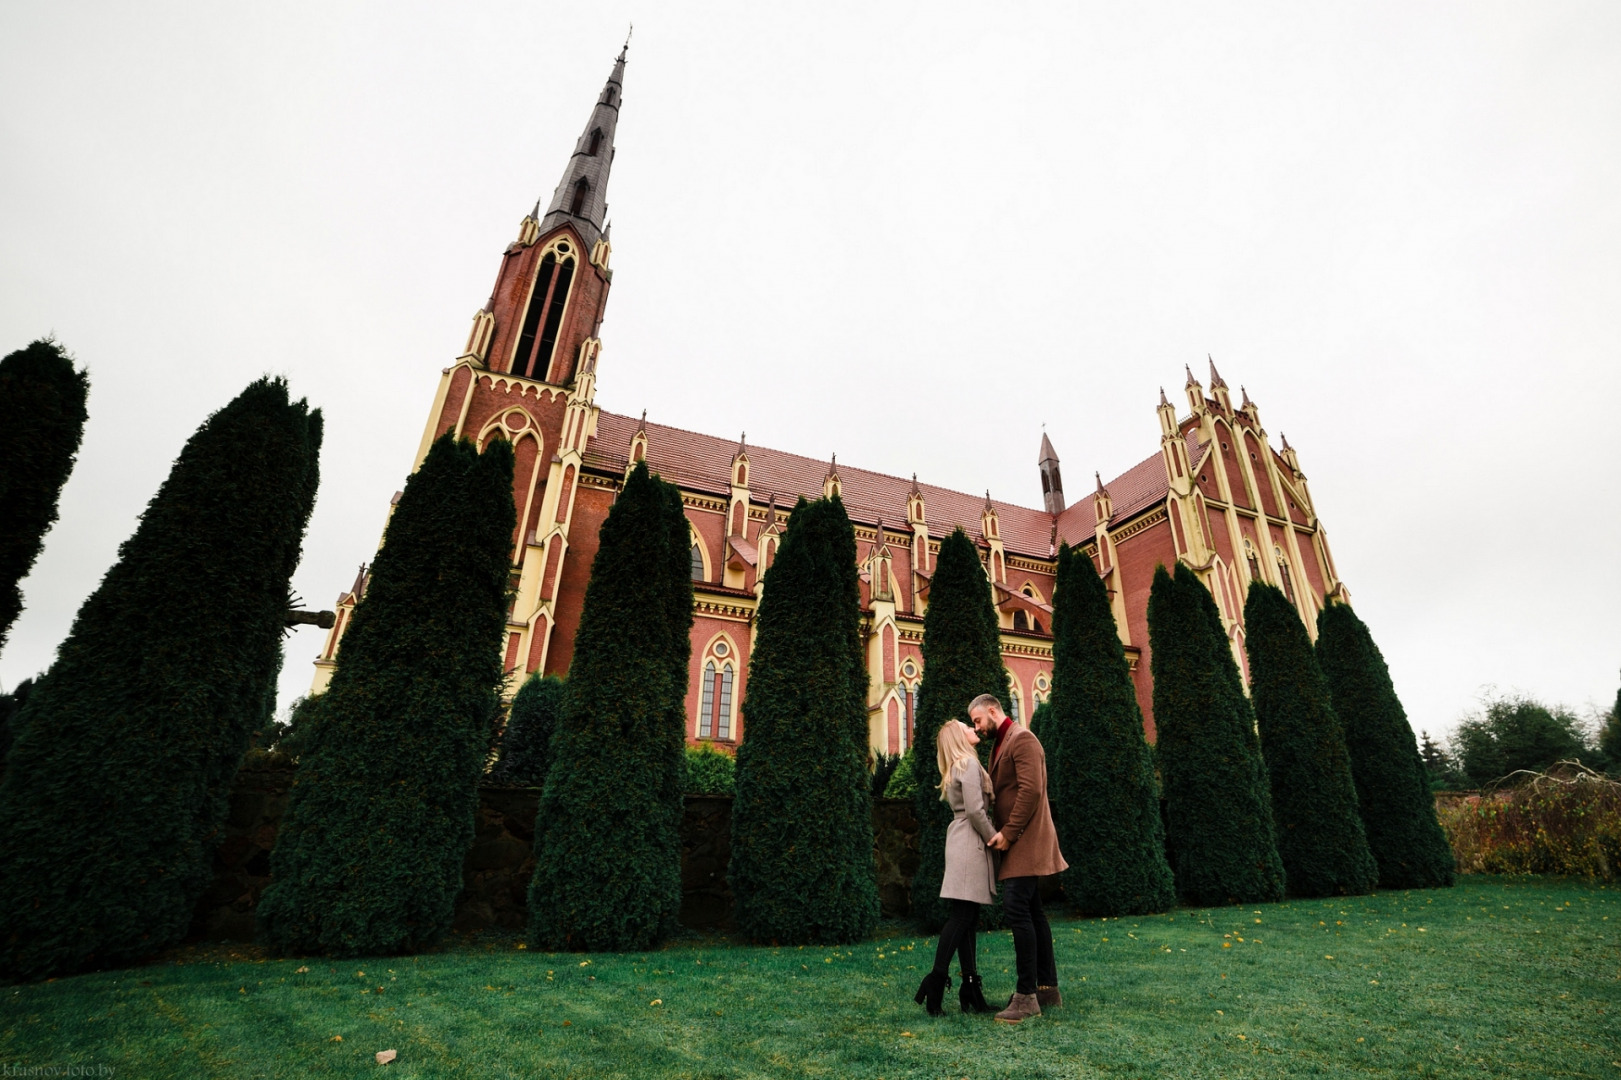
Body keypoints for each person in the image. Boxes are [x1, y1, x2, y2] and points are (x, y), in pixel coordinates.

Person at [969, 692, 1067, 1023]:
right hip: (1019, 841)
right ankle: (1047, 989)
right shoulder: (1002, 741)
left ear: (993, 711)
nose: (977, 727)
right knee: (1033, 912)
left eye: (978, 720)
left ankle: (1026, 996)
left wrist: (1008, 833)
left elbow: (1032, 790)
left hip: (1026, 839)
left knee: (1017, 909)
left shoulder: (1022, 739)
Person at [913, 720, 998, 1015]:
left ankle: (971, 988)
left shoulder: (957, 766)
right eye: (966, 726)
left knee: (968, 917)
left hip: (961, 840)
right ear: (958, 737)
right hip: (970, 842)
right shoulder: (968, 764)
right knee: (963, 916)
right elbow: (976, 809)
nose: (971, 728)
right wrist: (994, 837)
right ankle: (937, 980)